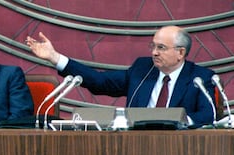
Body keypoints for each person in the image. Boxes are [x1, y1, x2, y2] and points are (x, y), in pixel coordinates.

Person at [26, 25, 216, 126]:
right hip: (133, 144)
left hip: (178, 148)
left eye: (161, 48)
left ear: (180, 53)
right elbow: (99, 81)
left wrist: (177, 120)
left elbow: (208, 115)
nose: (154, 53)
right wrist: (55, 57)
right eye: (153, 46)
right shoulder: (143, 69)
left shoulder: (199, 78)